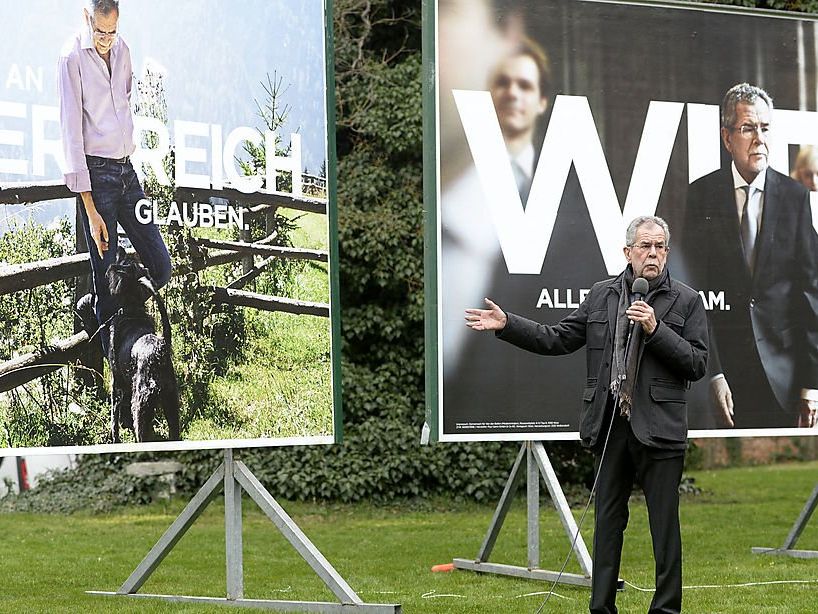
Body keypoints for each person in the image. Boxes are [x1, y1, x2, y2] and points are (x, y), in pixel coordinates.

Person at [466, 216, 707, 614]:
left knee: (665, 529)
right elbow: (556, 338)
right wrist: (508, 324)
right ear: (627, 252)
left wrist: (655, 328)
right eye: (645, 246)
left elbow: (697, 364)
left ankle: (665, 609)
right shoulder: (601, 295)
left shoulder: (687, 300)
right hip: (611, 426)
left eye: (660, 247)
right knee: (607, 525)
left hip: (660, 431)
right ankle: (601, 608)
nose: (653, 254)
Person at [682, 83, 818, 429]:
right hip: (724, 382)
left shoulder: (795, 198)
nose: (759, 139)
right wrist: (713, 374)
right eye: (747, 128)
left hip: (785, 381)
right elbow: (691, 293)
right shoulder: (701, 196)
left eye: (765, 128)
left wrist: (811, 384)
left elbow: (811, 296)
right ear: (727, 138)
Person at [58, 0, 171, 352]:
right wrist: (90, 210)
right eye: (99, 31)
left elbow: (123, 105)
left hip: (128, 173)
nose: (106, 40)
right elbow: (71, 135)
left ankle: (118, 313)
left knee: (161, 266)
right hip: (99, 178)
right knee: (105, 284)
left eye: (112, 31)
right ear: (85, 17)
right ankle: (117, 383)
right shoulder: (71, 58)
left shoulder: (123, 50)